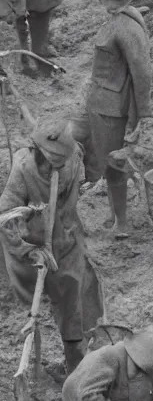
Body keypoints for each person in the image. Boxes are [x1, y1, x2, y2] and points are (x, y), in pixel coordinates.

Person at [0, 119, 104, 378]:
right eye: (50, 161)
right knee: (31, 306)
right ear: (37, 151)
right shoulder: (23, 168)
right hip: (32, 243)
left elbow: (86, 151)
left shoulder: (74, 156)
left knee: (73, 303)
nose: (54, 167)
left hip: (66, 240)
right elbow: (5, 216)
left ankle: (74, 368)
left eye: (60, 161)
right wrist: (27, 250)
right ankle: (33, 362)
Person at [76, 0, 152, 239]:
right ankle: (115, 216)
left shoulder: (125, 27)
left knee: (114, 165)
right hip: (102, 102)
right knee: (106, 162)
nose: (103, 1)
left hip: (112, 108)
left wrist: (142, 116)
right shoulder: (119, 19)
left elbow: (142, 73)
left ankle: (121, 224)